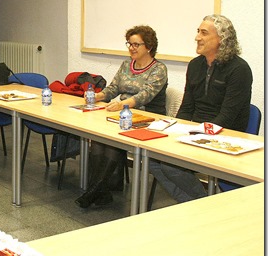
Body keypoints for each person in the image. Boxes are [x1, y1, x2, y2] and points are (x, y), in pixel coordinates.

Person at [149, 14, 252, 203]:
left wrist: (196, 136)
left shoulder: (239, 69)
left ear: (222, 39)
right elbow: (187, 107)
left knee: (171, 166)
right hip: (194, 131)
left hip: (224, 135)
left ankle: (206, 205)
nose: (197, 37)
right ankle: (200, 203)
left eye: (204, 33)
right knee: (153, 159)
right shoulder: (195, 65)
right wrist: (173, 129)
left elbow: (227, 117)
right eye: (198, 32)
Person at [75, 25, 168, 208]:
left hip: (147, 116)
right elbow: (113, 89)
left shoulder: (159, 69)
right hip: (123, 113)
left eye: (136, 44)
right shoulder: (127, 65)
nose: (131, 48)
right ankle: (101, 190)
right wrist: (98, 95)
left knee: (113, 140)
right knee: (99, 138)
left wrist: (122, 104)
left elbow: (145, 96)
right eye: (129, 44)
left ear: (148, 46)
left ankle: (94, 191)